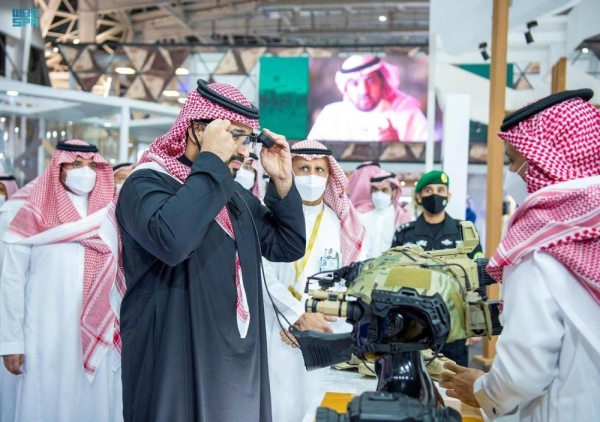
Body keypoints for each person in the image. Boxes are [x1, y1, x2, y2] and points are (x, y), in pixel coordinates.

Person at [114, 80, 306, 422]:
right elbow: (173, 240)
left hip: (234, 356)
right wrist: (213, 165)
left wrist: (283, 183)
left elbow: (286, 244)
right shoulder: (144, 185)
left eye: (246, 138)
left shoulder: (231, 195)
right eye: (234, 136)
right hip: (173, 358)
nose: (244, 152)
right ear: (198, 130)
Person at [440, 89, 600, 421]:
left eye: (513, 161)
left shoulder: (544, 240)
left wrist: (485, 391)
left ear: (542, 160)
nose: (511, 176)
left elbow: (525, 368)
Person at [0, 140, 122, 422]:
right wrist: (10, 342)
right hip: (45, 332)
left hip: (98, 328)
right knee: (46, 400)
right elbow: (12, 281)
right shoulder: (32, 211)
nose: (85, 171)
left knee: (96, 403)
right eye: (76, 164)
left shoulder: (108, 213)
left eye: (92, 165)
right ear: (59, 167)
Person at [262, 139, 366, 422]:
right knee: (278, 407)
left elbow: (358, 282)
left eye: (320, 170)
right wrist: (293, 316)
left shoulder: (341, 223)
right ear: (290, 170)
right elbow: (259, 275)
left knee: (319, 408)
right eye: (303, 168)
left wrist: (315, 319)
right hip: (276, 330)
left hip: (326, 334)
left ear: (330, 175)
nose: (312, 176)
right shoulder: (268, 218)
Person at [391, 170, 483, 366]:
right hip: (413, 326)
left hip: (455, 325)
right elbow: (392, 281)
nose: (436, 194)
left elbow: (477, 278)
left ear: (448, 196)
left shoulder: (464, 233)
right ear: (419, 196)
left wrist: (476, 323)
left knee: (453, 386)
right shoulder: (405, 235)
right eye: (429, 190)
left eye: (441, 189)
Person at [308, 55, 429, 142]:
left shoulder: (408, 114)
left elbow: (430, 158)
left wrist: (397, 146)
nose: (364, 90)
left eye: (370, 81)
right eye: (355, 84)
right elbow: (310, 157)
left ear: (382, 82)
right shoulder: (331, 115)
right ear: (346, 88)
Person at [359, 170, 412, 258]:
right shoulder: (362, 218)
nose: (379, 194)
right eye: (376, 190)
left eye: (384, 190)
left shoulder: (403, 218)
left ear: (394, 192)